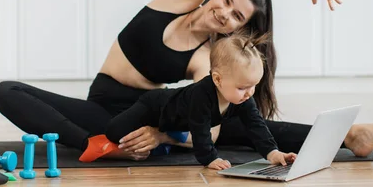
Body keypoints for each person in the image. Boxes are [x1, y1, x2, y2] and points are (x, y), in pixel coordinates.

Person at [0, 0, 373, 161]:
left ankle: (351, 135)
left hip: (149, 112)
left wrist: (159, 136)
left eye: (235, 17)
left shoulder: (206, 58)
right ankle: (108, 145)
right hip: (105, 108)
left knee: (241, 127)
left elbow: (208, 130)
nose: (224, 14)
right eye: (226, 1)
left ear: (239, 28)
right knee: (7, 91)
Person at [78, 31, 297, 170]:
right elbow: (200, 129)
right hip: (154, 106)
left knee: (174, 133)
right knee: (114, 131)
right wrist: (210, 158)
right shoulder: (202, 95)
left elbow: (255, 125)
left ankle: (162, 138)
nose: (250, 92)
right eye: (243, 87)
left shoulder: (243, 98)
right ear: (218, 79)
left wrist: (272, 152)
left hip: (176, 121)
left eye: (254, 85)